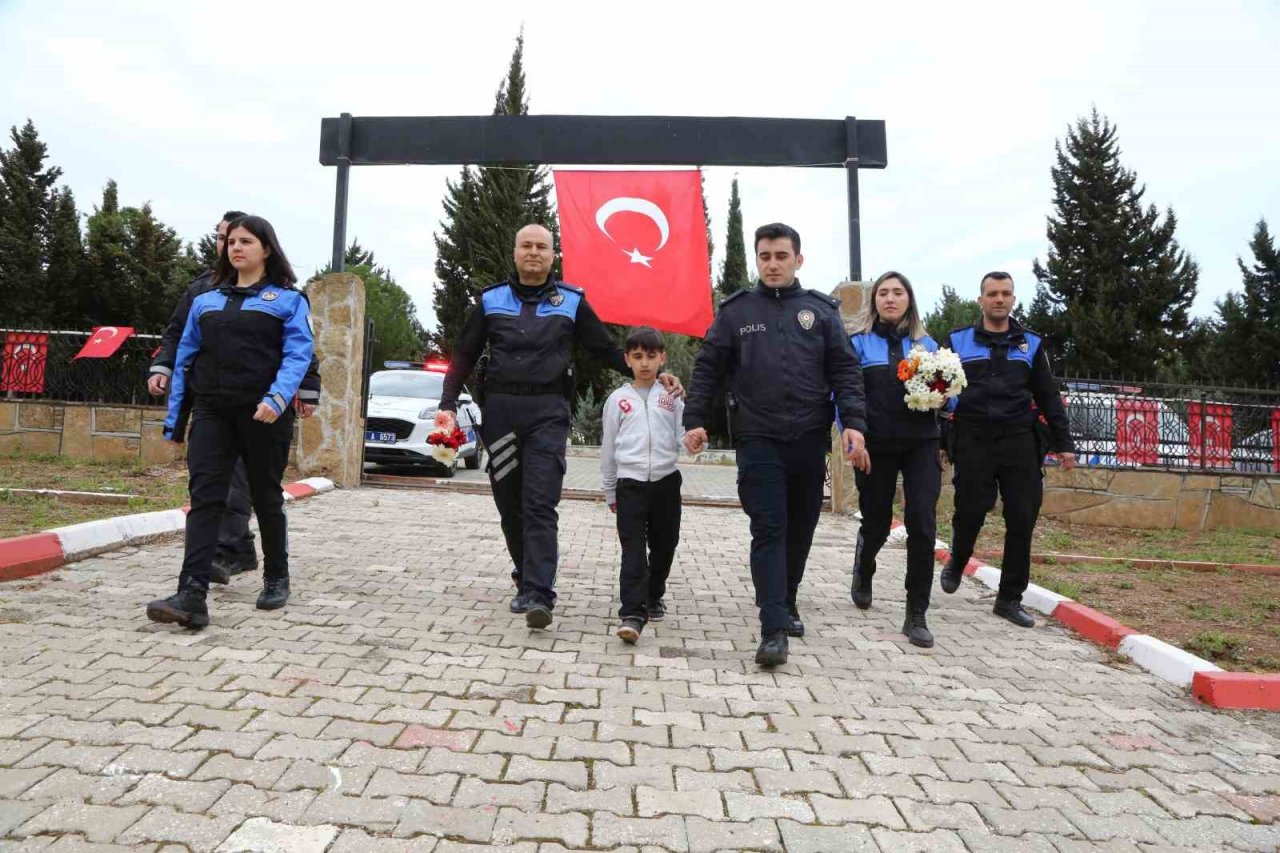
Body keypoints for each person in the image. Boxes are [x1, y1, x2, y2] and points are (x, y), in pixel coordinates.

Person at [436, 224, 684, 630]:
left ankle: (539, 592)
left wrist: (654, 376)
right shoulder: (491, 300)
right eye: (526, 246)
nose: (534, 252)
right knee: (510, 503)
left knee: (540, 501)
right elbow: (463, 354)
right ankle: (524, 575)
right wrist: (447, 403)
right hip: (500, 412)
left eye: (542, 247)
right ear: (515, 252)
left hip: (548, 412)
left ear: (553, 255)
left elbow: (606, 349)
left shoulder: (571, 302)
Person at [683, 223, 869, 667]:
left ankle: (786, 598)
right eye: (764, 256)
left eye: (781, 256)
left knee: (801, 525)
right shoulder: (736, 311)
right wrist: (694, 420)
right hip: (757, 436)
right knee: (768, 527)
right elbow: (708, 368)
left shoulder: (821, 311)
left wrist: (854, 424)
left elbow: (845, 370)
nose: (772, 264)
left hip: (808, 437)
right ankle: (773, 629)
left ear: (797, 260)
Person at [146, 215, 314, 629]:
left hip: (263, 414)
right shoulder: (205, 301)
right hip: (212, 413)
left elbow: (299, 355)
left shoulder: (288, 300)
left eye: (246, 241)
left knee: (266, 496)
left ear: (267, 249)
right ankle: (191, 594)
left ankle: (276, 576)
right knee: (205, 499)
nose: (236, 247)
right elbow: (186, 358)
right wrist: (175, 422)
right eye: (232, 241)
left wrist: (278, 398)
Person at [938, 271, 1076, 627]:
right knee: (970, 510)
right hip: (972, 440)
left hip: (1019, 441)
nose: (999, 299)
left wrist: (1064, 444)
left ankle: (1009, 598)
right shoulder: (957, 341)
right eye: (992, 293)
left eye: (1005, 293)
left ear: (1013, 299)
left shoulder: (1031, 344)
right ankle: (958, 559)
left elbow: (1048, 396)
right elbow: (940, 392)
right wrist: (940, 442)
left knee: (1022, 517)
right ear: (980, 300)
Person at [847, 271, 941, 648]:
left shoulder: (927, 345)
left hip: (921, 444)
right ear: (874, 301)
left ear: (909, 299)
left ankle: (916, 612)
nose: (890, 298)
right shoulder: (858, 343)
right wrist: (854, 438)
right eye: (883, 293)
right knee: (877, 523)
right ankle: (864, 565)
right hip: (875, 445)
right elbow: (845, 394)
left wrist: (946, 395)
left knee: (923, 523)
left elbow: (948, 393)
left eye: (897, 292)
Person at [601, 327, 685, 644]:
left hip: (666, 482)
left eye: (651, 356)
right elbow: (609, 447)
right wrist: (610, 489)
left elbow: (683, 437)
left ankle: (654, 593)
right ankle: (633, 615)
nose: (645, 363)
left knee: (665, 545)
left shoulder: (672, 396)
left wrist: (695, 441)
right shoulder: (617, 400)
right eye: (637, 356)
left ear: (662, 357)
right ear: (627, 360)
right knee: (633, 550)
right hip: (630, 484)